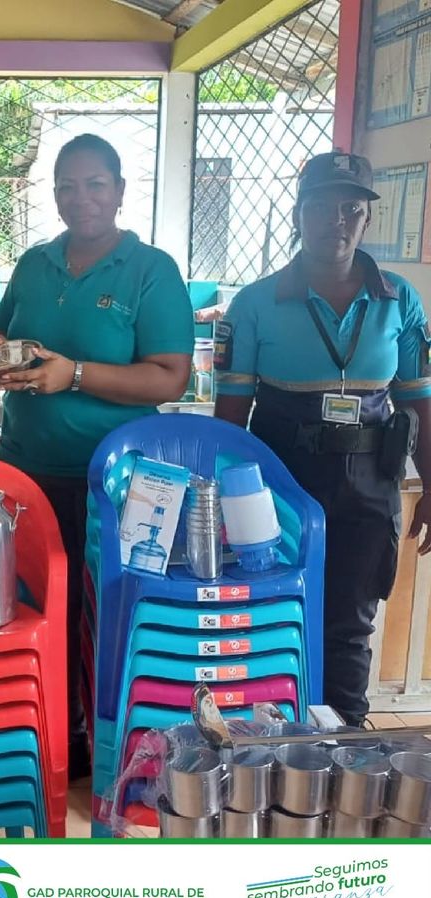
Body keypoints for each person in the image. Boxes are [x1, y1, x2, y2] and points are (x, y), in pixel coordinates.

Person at [0, 134, 194, 778]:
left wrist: (74, 375)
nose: (82, 198)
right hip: (28, 472)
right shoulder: (34, 264)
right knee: (35, 604)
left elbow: (170, 377)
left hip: (117, 483)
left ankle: (112, 743)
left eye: (96, 184)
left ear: (121, 191)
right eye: (67, 186)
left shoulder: (150, 269)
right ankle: (48, 737)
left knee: (108, 614)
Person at [214, 150, 431, 727]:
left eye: (351, 208)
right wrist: (218, 501)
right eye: (320, 207)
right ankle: (272, 735)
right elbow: (230, 414)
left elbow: (419, 401)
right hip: (280, 483)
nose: (336, 220)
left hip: (370, 483)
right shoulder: (255, 302)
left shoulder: (400, 299)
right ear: (298, 214)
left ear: (367, 218)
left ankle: (345, 740)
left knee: (351, 620)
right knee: (275, 607)